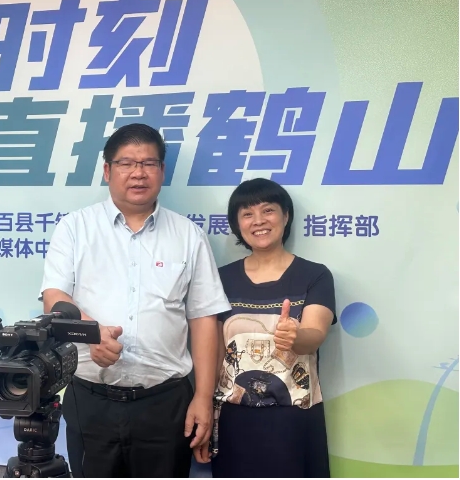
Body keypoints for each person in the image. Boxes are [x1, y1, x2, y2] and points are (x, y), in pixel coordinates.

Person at [39, 123, 230, 477]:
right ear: (107, 170)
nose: (138, 173)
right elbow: (54, 298)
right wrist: (91, 334)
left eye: (149, 163)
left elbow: (204, 319)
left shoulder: (189, 235)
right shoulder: (75, 228)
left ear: (162, 171)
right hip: (91, 400)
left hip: (166, 404)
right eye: (126, 163)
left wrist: (204, 398)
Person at [199, 178, 337, 478]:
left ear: (285, 216)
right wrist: (205, 407)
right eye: (247, 214)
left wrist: (296, 337)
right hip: (233, 417)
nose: (258, 221)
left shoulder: (315, 275)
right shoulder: (220, 279)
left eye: (268, 210)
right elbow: (214, 352)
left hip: (294, 418)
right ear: (237, 224)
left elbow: (314, 336)